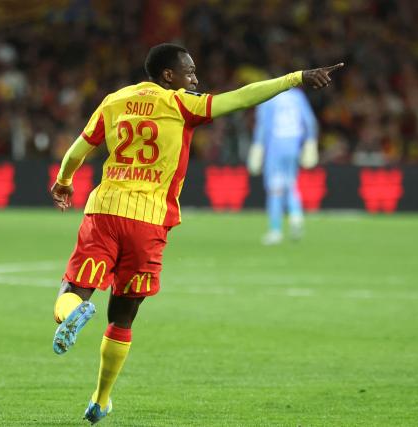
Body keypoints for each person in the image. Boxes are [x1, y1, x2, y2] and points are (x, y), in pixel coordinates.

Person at [49, 42, 343, 424]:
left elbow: (79, 148)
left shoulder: (114, 101)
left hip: (104, 210)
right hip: (149, 219)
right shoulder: (181, 104)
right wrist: (295, 78)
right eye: (189, 72)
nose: (195, 78)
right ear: (168, 75)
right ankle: (100, 398)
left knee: (71, 291)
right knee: (122, 317)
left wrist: (63, 181)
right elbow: (240, 99)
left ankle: (74, 311)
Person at [247, 87, 318, 245]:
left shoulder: (267, 95)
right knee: (291, 184)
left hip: (275, 147)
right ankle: (296, 217)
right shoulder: (297, 95)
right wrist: (311, 142)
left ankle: (275, 230)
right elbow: (310, 121)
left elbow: (262, 126)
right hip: (293, 146)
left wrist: (257, 148)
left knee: (275, 189)